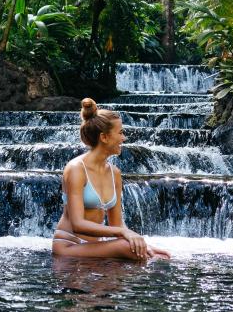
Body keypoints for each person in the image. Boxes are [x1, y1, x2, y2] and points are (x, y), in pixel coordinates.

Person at [52, 98, 170, 261]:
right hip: (69, 245)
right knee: (130, 250)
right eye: (120, 133)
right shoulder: (76, 169)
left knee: (153, 254)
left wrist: (143, 244)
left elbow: (117, 224)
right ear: (104, 137)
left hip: (95, 245)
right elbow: (77, 224)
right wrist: (124, 233)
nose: (124, 138)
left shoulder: (115, 173)